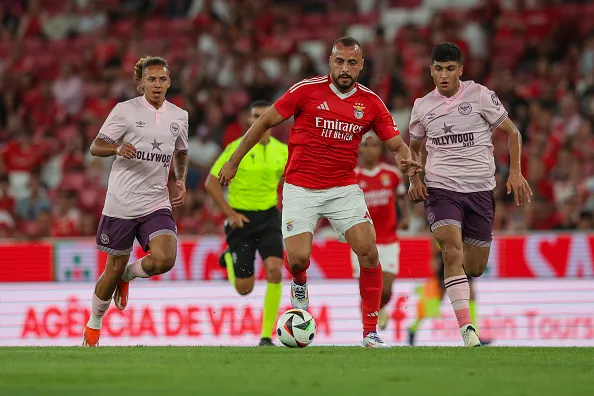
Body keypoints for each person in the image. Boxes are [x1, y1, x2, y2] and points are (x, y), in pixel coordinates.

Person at [218, 36, 422, 348]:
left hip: (342, 187)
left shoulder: (370, 103)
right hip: (301, 187)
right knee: (298, 259)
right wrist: (234, 161)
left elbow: (396, 145)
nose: (345, 68)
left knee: (368, 250)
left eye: (352, 63)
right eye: (339, 61)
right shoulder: (305, 90)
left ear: (361, 66)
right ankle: (299, 283)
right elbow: (263, 124)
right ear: (330, 61)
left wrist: (407, 162)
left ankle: (370, 332)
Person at [407, 43, 532, 347]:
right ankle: (467, 331)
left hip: (479, 191)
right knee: (451, 250)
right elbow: (413, 147)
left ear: (460, 70)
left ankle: (431, 296)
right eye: (438, 69)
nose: (444, 75)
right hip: (441, 189)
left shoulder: (480, 95)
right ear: (431, 71)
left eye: (450, 69)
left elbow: (513, 133)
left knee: (474, 268)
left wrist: (515, 173)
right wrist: (415, 177)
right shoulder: (422, 106)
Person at [83, 56, 189, 347]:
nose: (157, 84)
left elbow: (180, 152)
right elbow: (96, 146)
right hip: (122, 201)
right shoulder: (124, 111)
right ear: (140, 82)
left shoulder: (179, 116)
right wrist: (117, 146)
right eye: (151, 79)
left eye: (162, 79)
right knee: (111, 269)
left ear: (169, 82)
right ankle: (93, 327)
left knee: (165, 258)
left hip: (156, 199)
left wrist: (179, 179)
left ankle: (128, 276)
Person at [205, 100, 287, 347]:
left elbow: (294, 179)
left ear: (273, 121)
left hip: (270, 216)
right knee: (244, 289)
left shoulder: (282, 151)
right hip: (241, 219)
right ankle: (229, 258)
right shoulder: (235, 148)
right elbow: (211, 183)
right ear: (249, 121)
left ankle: (266, 336)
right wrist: (229, 213)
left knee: (274, 271)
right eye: (255, 116)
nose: (260, 120)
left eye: (265, 116)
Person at [351, 131, 409, 330]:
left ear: (380, 149)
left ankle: (379, 309)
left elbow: (401, 197)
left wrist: (405, 217)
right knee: (367, 290)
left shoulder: (391, 174)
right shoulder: (352, 177)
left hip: (388, 239)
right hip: (361, 242)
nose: (369, 150)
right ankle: (369, 331)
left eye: (374, 145)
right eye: (365, 145)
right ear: (359, 149)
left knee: (386, 292)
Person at [407, 241, 492, 345]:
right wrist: (435, 256)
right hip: (448, 255)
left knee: (471, 295)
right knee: (436, 300)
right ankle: (413, 328)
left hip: (462, 255)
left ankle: (474, 333)